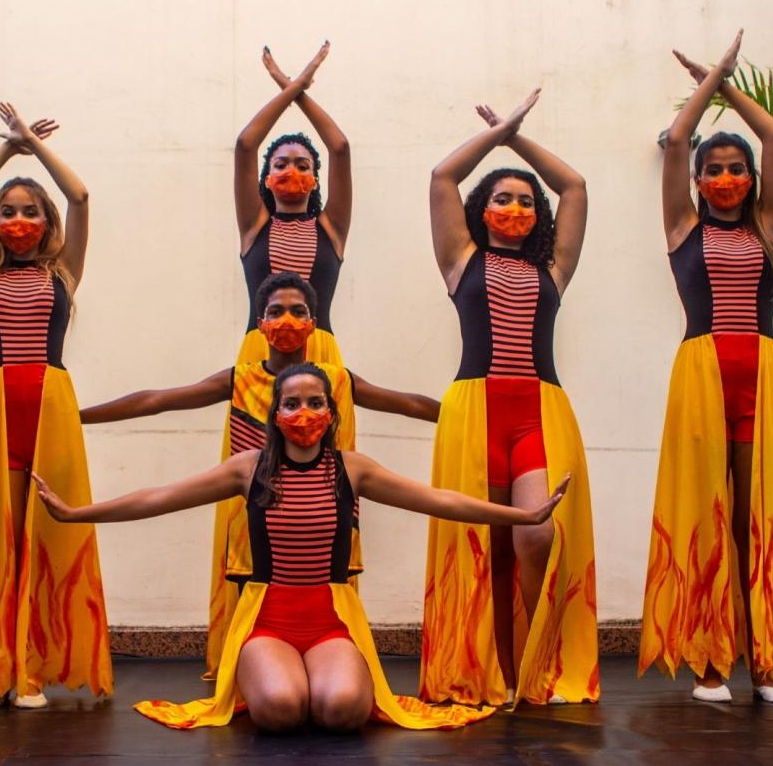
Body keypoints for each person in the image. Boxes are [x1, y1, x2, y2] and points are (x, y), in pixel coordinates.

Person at [35, 364, 570, 731]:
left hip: (332, 617)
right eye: (292, 403)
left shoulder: (352, 468)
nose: (304, 412)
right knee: (280, 710)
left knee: (341, 712)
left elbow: (439, 500)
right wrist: (78, 513)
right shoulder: (249, 469)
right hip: (267, 618)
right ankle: (278, 678)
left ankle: (320, 677)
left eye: (316, 402)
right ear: (275, 412)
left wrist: (522, 515)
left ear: (331, 412)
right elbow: (159, 497)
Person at [80, 271, 439, 678]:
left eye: (298, 311)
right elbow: (157, 400)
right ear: (260, 322)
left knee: (331, 614)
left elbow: (404, 403)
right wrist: (78, 417)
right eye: (276, 311)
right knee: (257, 618)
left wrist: (459, 415)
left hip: (324, 519)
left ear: (313, 323)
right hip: (257, 521)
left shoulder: (336, 379)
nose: (287, 320)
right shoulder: (240, 377)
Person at [420, 89, 599, 707]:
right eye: (503, 199)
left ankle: (532, 666)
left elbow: (573, 186)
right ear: (482, 210)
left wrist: (515, 135)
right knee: (483, 545)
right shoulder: (460, 260)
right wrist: (496, 138)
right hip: (474, 411)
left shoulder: (554, 269)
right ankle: (488, 674)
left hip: (538, 413)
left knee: (534, 537)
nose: (517, 208)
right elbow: (443, 175)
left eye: (526, 201)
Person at [638, 30, 773, 704]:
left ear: (750, 181)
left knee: (754, 516)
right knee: (709, 513)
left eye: (737, 169)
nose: (727, 178)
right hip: (702, 376)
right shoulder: (683, 228)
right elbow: (677, 141)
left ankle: (766, 664)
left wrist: (729, 82)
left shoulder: (766, 227)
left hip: (761, 372)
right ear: (699, 182)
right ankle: (711, 662)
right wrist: (705, 88)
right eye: (716, 170)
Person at [0, 103, 111, 708]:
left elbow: (83, 197)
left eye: (30, 211)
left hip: (50, 408)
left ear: (46, 223)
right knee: (1, 537)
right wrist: (8, 150)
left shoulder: (63, 272)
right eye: (9, 212)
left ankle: (34, 667)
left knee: (46, 534)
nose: (19, 220)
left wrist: (37, 151)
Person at [234, 42, 350, 366]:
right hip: (259, 354)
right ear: (267, 176)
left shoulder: (331, 228)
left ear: (315, 179)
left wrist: (295, 88)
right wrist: (296, 84)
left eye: (302, 166)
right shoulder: (254, 225)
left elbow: (339, 147)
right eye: (281, 164)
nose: (291, 171)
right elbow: (246, 144)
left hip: (320, 355)